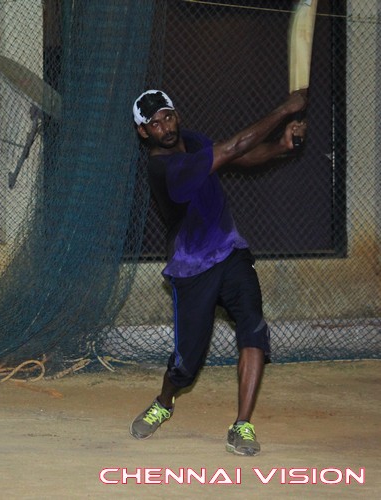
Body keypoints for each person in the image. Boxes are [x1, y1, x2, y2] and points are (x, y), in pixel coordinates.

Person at [129, 89, 308, 456]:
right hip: (192, 268)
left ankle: (241, 424)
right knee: (185, 367)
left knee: (253, 329)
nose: (164, 127)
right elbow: (233, 145)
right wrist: (284, 109)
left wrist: (281, 147)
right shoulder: (164, 167)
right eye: (154, 123)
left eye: (167, 116)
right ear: (144, 133)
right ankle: (164, 402)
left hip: (230, 253)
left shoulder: (192, 141)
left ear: (176, 115)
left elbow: (239, 154)